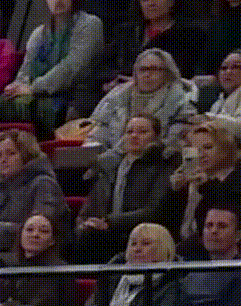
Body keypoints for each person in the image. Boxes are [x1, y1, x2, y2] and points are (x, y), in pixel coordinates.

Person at [73, 112, 179, 262]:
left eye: (143, 132)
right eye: (129, 132)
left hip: (141, 234)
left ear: (156, 137)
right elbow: (90, 207)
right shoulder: (110, 167)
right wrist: (84, 223)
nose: (134, 136)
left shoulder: (164, 165)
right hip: (108, 233)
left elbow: (154, 211)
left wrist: (109, 222)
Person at [0, 0, 104, 135]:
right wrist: (17, 86)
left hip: (72, 96)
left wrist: (33, 88)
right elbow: (26, 69)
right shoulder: (39, 33)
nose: (58, 1)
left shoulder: (90, 24)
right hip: (35, 94)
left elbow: (71, 67)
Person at [0, 128, 68, 263]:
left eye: (11, 153)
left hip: (38, 255)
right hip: (3, 249)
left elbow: (40, 231)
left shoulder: (44, 184)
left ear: (26, 156)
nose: (3, 160)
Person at [86, 49, 195, 161]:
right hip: (107, 159)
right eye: (142, 69)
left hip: (154, 161)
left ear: (167, 74)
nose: (147, 74)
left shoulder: (182, 101)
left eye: (154, 69)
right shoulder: (117, 95)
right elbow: (98, 129)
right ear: (135, 73)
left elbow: (174, 140)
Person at [76, 222, 179, 306]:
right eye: (133, 244)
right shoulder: (111, 274)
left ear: (164, 248)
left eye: (146, 244)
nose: (137, 249)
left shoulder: (174, 283)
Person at [98, 0, 203, 90]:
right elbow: (100, 68)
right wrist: (114, 80)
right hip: (121, 92)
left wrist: (138, 80)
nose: (150, 3)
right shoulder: (126, 31)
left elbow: (182, 73)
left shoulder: (190, 34)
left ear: (172, 2)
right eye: (145, 0)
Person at [170, 123, 241, 251]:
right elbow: (173, 223)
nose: (201, 155)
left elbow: (228, 218)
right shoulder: (194, 180)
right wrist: (176, 192)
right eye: (195, 150)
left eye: (208, 147)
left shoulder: (236, 177)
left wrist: (207, 187)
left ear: (225, 149)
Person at [172, 203, 241, 306]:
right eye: (209, 225)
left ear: (237, 235)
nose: (214, 231)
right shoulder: (188, 277)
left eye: (222, 226)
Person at [201, 50, 241, 131]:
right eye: (224, 68)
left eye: (236, 67)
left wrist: (208, 117)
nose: (228, 72)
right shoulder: (219, 101)